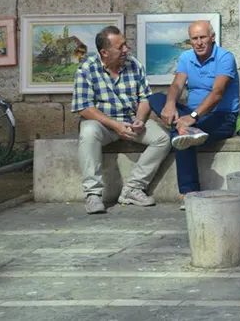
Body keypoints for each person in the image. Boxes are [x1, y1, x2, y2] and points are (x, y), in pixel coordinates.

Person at [72, 25, 170, 214]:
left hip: (131, 121)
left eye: (126, 45)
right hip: (104, 124)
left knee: (163, 138)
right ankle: (93, 194)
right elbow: (84, 108)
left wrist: (140, 120)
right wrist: (115, 126)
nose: (126, 50)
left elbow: (144, 98)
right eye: (120, 47)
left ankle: (133, 188)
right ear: (104, 52)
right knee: (88, 131)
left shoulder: (134, 65)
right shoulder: (86, 69)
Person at [149, 20, 239, 202]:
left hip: (221, 117)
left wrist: (191, 117)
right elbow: (177, 84)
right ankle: (186, 128)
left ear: (212, 38)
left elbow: (217, 93)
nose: (199, 42)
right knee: (156, 98)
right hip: (192, 115)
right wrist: (171, 104)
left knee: (182, 137)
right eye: (194, 38)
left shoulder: (225, 57)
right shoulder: (186, 57)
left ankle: (189, 193)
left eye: (203, 37)